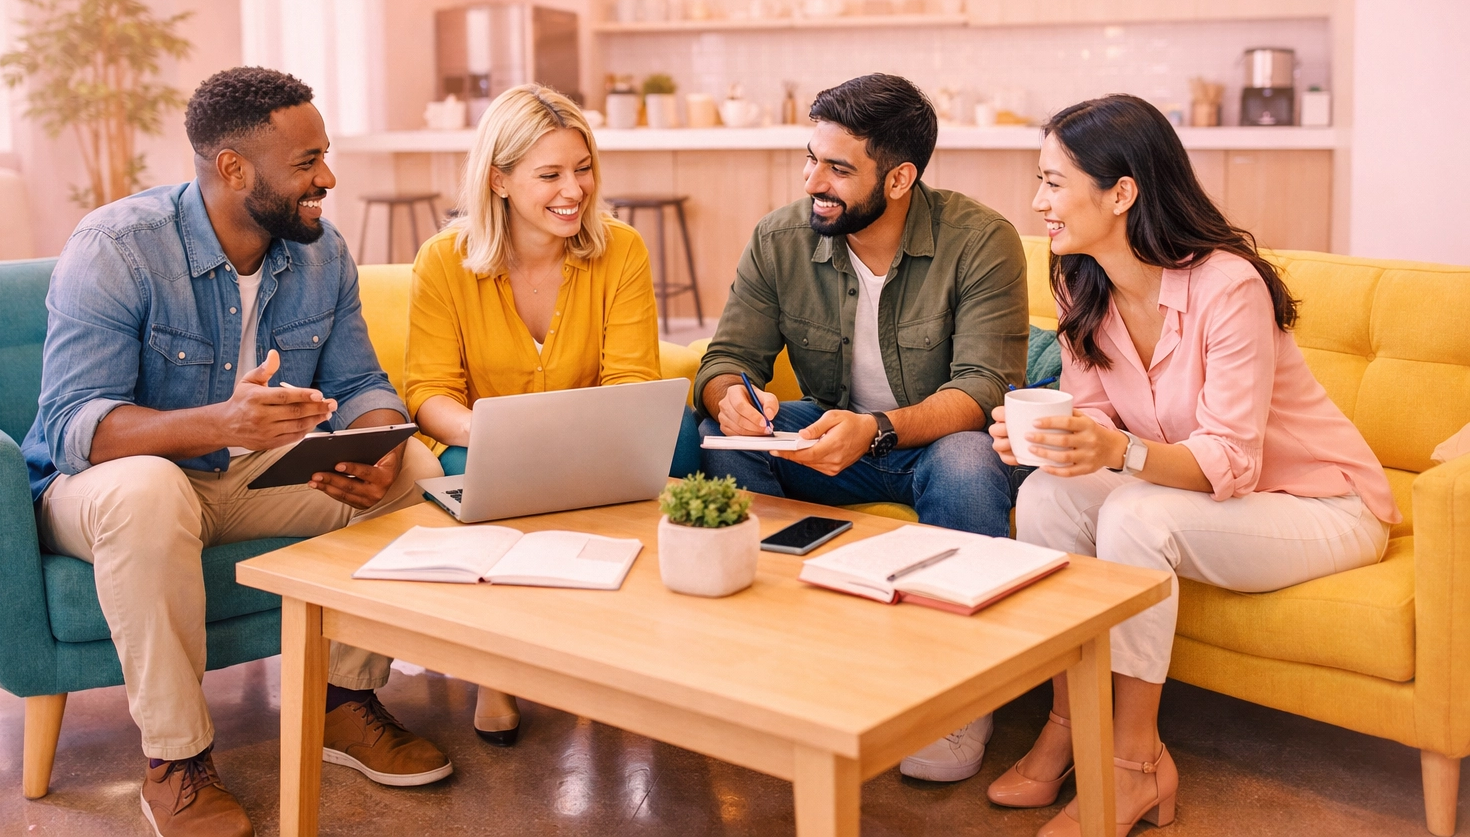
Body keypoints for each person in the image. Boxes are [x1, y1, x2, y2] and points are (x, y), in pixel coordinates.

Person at [22, 67, 452, 837]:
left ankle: (343, 703)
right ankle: (177, 762)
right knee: (147, 491)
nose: (326, 178)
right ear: (232, 169)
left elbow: (360, 380)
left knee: (416, 473)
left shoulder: (321, 254)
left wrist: (378, 439)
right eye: (305, 163)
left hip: (242, 477)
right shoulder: (117, 246)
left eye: (324, 154)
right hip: (103, 490)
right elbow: (73, 427)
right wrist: (222, 422)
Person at [988, 94, 1397, 837]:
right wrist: (1055, 441)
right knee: (1048, 495)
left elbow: (1231, 459)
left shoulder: (1228, 285)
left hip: (1320, 504)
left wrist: (1118, 453)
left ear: (1120, 193)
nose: (1038, 201)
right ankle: (1068, 722)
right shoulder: (1079, 277)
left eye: (1053, 181)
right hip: (1210, 496)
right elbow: (1100, 417)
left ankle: (1135, 762)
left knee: (1135, 514)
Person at [694, 72, 1028, 784]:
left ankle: (957, 689)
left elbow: (984, 388)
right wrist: (730, 398)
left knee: (968, 463)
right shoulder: (780, 238)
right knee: (701, 434)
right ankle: (772, 652)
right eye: (810, 157)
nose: (814, 180)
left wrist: (875, 430)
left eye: (838, 168)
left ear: (901, 177)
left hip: (936, 441)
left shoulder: (982, 240)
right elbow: (727, 359)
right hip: (832, 435)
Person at [404, 83, 683, 746]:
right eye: (550, 174)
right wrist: (490, 433)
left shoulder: (622, 250)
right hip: (482, 443)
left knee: (683, 447)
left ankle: (635, 647)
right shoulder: (444, 262)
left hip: (598, 438)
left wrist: (572, 439)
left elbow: (630, 381)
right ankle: (493, 670)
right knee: (477, 469)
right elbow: (429, 391)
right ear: (498, 179)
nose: (574, 190)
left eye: (583, 169)